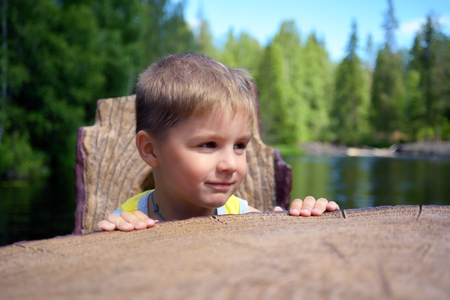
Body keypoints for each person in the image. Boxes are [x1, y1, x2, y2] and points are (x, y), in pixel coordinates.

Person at [95, 53, 339, 232]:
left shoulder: (244, 217)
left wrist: (306, 218)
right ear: (150, 150)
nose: (230, 165)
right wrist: (112, 235)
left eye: (240, 146)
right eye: (208, 145)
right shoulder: (129, 220)